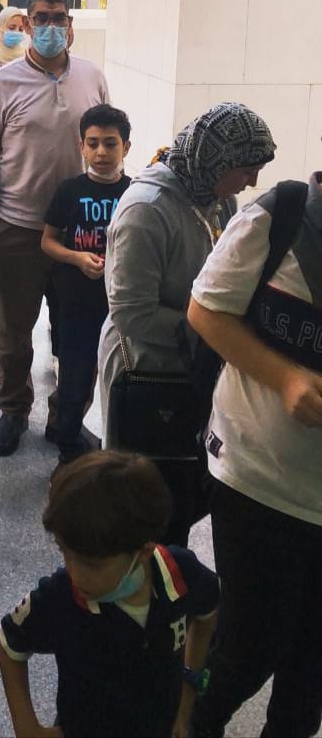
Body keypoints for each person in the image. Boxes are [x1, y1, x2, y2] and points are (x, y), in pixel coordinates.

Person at [98, 102, 276, 545]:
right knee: (142, 497)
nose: (252, 182)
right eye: (247, 170)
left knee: (182, 493)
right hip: (146, 371)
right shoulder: (146, 210)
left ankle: (172, 566)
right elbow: (131, 313)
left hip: (188, 366)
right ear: (216, 160)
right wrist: (212, 329)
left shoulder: (216, 197)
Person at [186, 169, 322, 738]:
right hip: (257, 478)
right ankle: (191, 726)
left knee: (308, 679)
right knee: (246, 651)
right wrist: (286, 378)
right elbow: (205, 310)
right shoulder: (280, 216)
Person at [0, 451, 219, 738]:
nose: (75, 574)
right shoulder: (60, 596)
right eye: (65, 553)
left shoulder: (180, 573)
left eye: (92, 564)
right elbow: (9, 643)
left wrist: (189, 686)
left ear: (143, 551)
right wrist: (27, 728)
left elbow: (208, 613)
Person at [0, 0, 109, 456]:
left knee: (77, 336)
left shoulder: (92, 76)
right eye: (42, 18)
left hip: (79, 233)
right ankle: (14, 410)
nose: (51, 26)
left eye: (59, 17)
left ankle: (65, 419)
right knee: (14, 332)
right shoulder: (1, 84)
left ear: (69, 25)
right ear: (28, 24)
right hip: (17, 228)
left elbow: (103, 141)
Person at [41, 105, 132, 465]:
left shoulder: (134, 193)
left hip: (118, 307)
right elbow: (48, 241)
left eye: (110, 144)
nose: (101, 152)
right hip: (75, 304)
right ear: (81, 146)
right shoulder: (69, 190)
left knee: (112, 378)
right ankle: (67, 447)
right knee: (74, 378)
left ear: (126, 147)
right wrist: (77, 258)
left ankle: (112, 446)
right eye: (92, 144)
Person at [0, 6, 28, 71]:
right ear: (0, 27)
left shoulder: (23, 54)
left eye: (21, 29)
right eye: (12, 28)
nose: (17, 32)